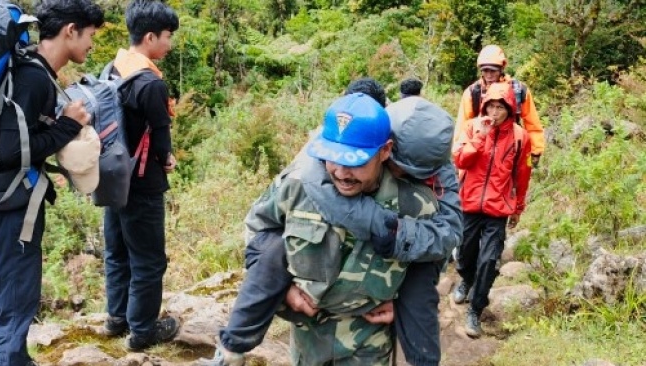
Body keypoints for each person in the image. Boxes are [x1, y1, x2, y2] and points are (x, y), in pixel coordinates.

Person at [206, 84, 461, 366]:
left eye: (355, 162)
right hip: (308, 333)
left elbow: (436, 253)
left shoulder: (416, 203)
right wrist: (284, 293)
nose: (341, 172)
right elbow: (259, 233)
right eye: (334, 159)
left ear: (386, 152)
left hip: (368, 338)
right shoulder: (298, 184)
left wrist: (404, 305)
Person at [0, 1, 104, 364]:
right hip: (12, 208)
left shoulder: (32, 73)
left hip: (11, 201)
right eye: (90, 35)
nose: (91, 45)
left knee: (12, 294)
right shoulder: (33, 79)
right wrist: (68, 126)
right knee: (14, 296)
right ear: (70, 30)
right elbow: (10, 151)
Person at [101, 0, 180, 351]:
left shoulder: (110, 69)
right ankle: (143, 331)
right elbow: (161, 140)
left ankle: (117, 319)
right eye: (168, 36)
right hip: (144, 184)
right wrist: (167, 159)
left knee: (116, 250)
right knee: (148, 258)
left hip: (112, 178)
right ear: (150, 37)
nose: (170, 43)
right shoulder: (150, 83)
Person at [451, 81, 533, 338]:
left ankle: (475, 309)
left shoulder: (520, 137)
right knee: (464, 253)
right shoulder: (471, 126)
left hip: (498, 209)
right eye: (491, 106)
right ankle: (466, 279)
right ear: (484, 107)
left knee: (488, 260)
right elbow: (460, 159)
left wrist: (518, 206)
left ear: (510, 109)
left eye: (500, 107)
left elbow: (522, 174)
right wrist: (480, 137)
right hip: (470, 203)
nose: (495, 112)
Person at [454, 44, 545, 167]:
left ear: (501, 69)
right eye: (485, 70)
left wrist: (536, 150)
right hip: (481, 149)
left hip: (510, 151)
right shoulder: (473, 93)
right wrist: (459, 152)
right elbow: (463, 126)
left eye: (493, 70)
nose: (489, 75)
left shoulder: (519, 91)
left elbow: (532, 123)